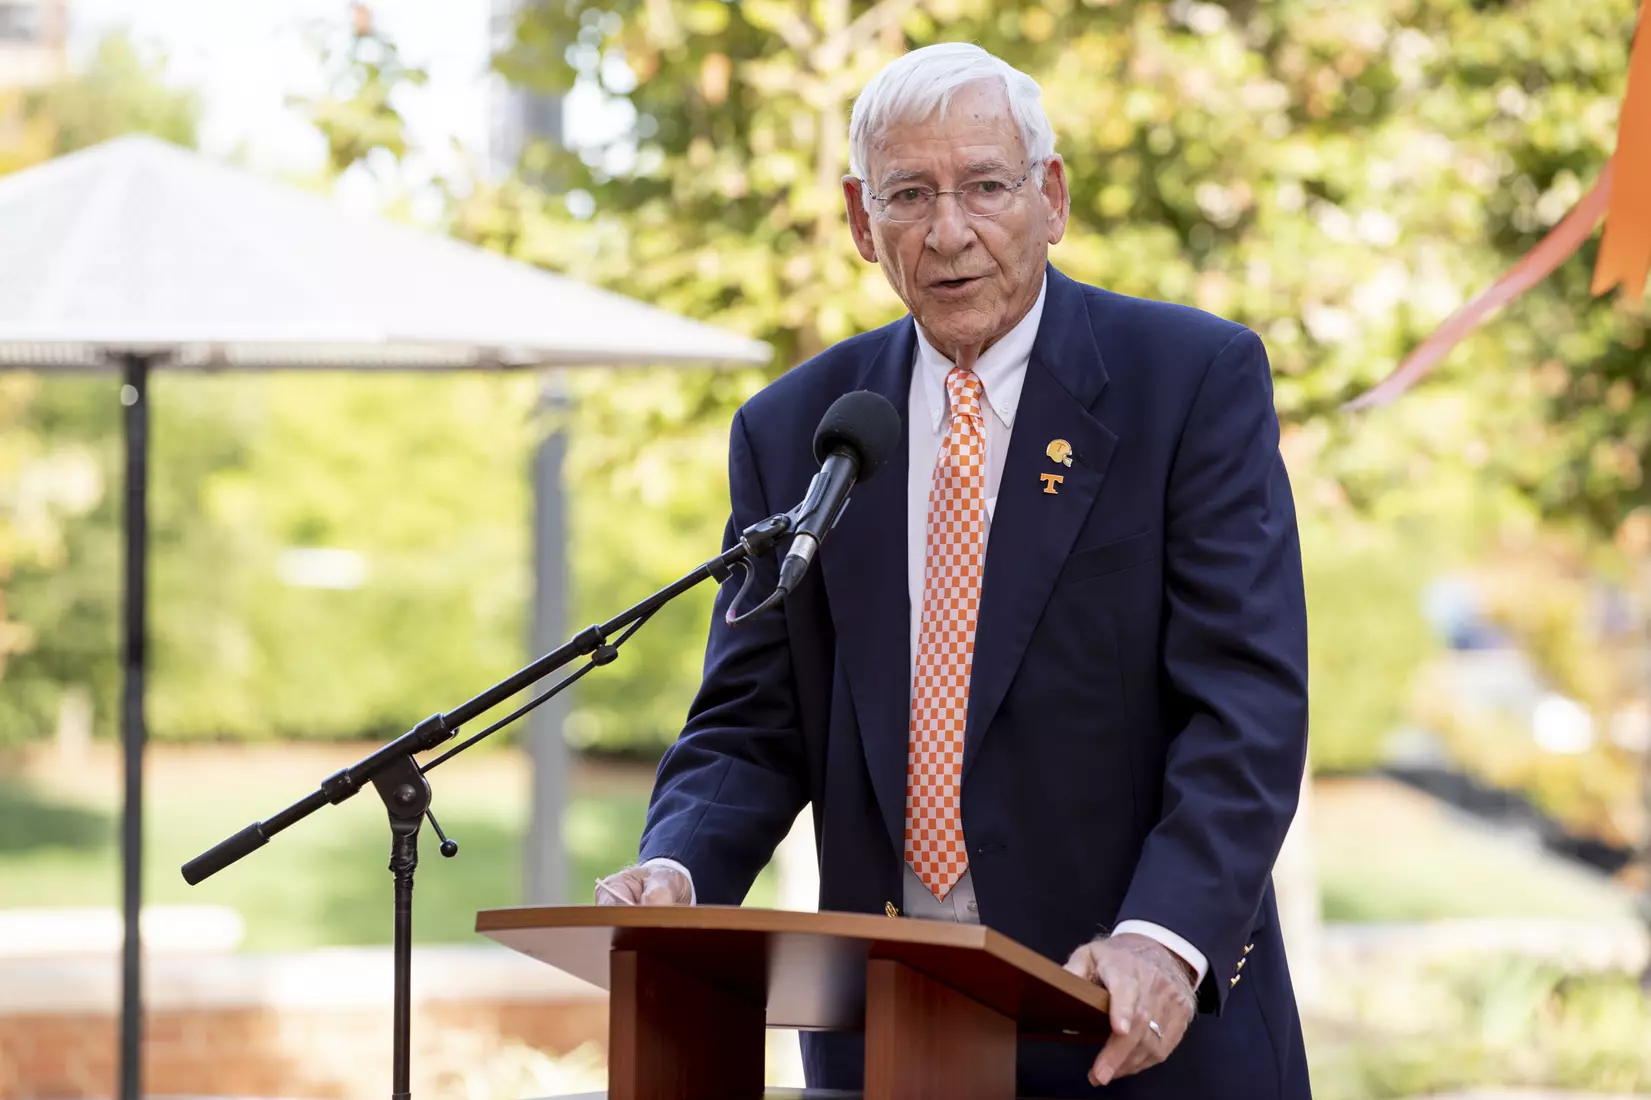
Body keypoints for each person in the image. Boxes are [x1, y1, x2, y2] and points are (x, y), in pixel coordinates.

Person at [596, 42, 1310, 1099]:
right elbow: (750, 719)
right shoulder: (800, 428)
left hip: (1134, 1028)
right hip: (886, 1033)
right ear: (858, 219)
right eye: (909, 194)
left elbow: (1244, 700)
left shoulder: (1189, 380)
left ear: (1051, 196)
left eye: (985, 185)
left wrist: (1161, 937)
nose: (947, 230)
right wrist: (680, 865)